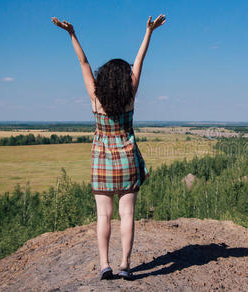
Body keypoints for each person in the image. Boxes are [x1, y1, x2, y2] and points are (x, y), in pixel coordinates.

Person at [51, 14, 166, 280]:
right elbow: (139, 62)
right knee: (127, 215)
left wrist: (72, 34)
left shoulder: (95, 97)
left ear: (103, 78)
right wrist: (149, 32)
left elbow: (83, 62)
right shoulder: (130, 97)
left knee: (104, 216)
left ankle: (105, 265)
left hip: (101, 162)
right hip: (127, 162)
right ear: (126, 80)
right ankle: (125, 265)